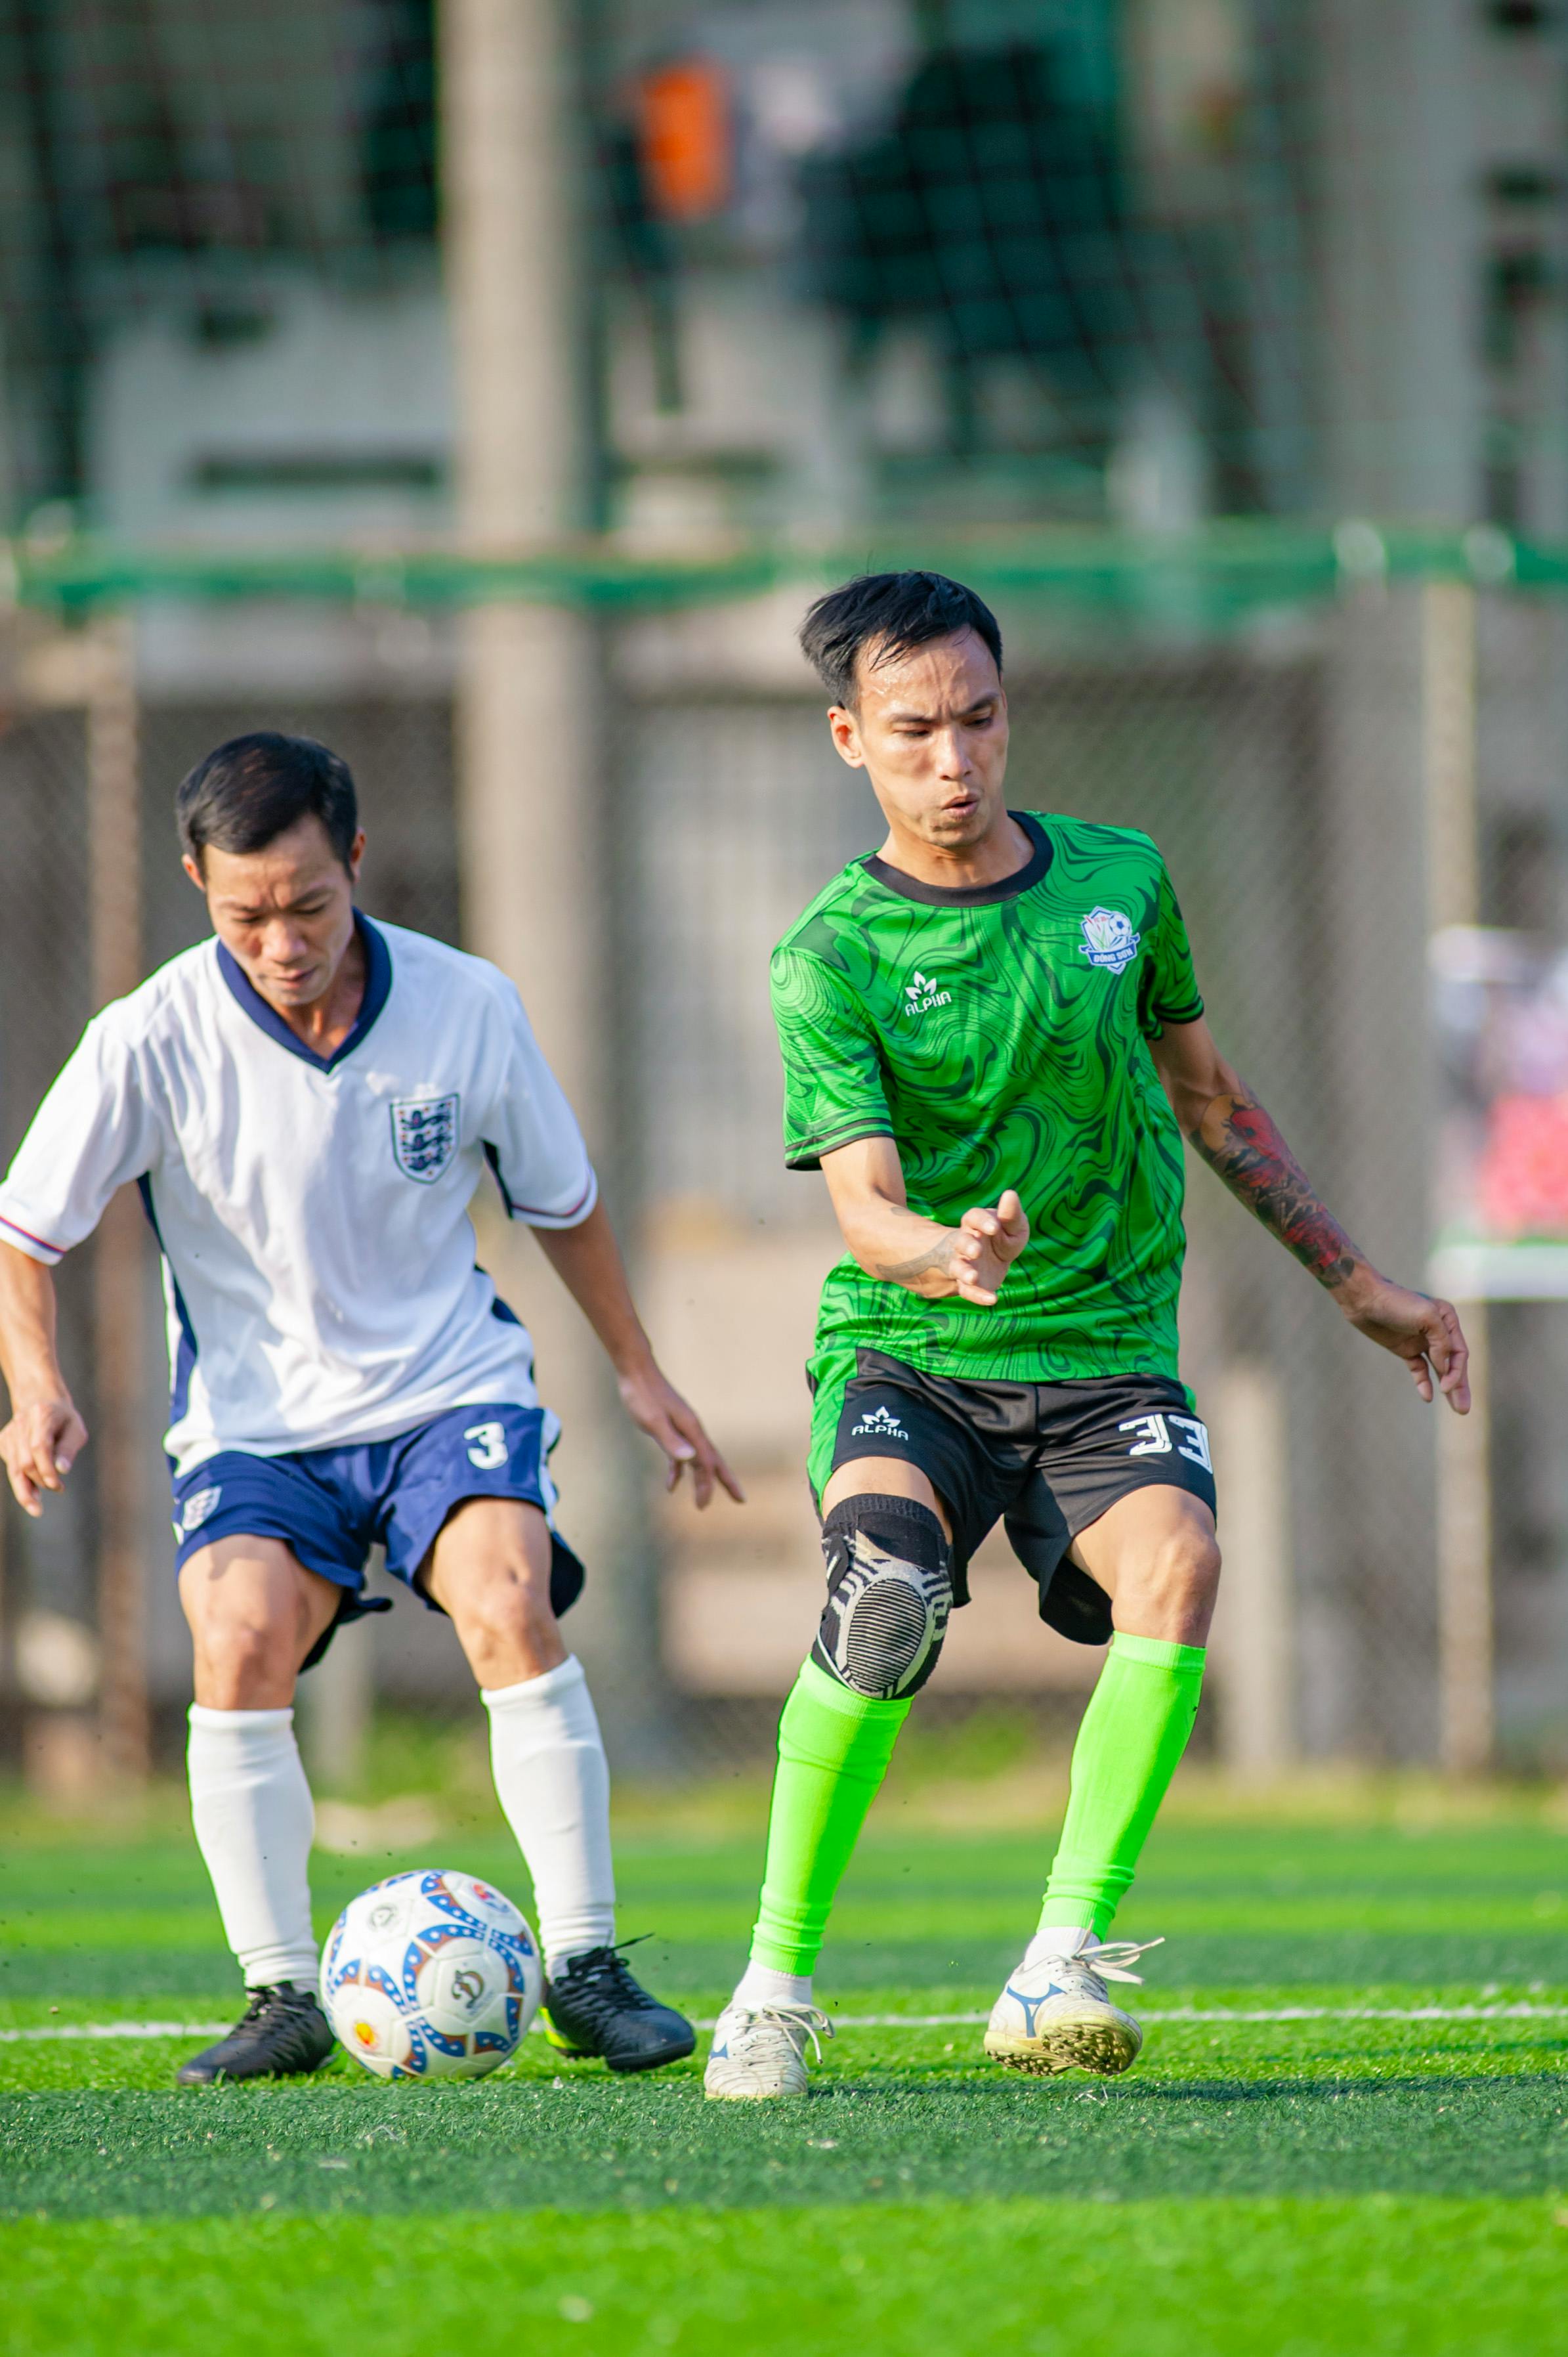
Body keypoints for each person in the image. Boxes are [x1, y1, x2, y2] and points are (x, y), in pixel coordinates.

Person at [704, 572, 1470, 2099]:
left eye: (978, 718)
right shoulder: (829, 953)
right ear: (849, 736)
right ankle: (773, 1984)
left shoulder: (1120, 879)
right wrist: (946, 1248)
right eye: (914, 729)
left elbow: (1207, 1099)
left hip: (1108, 1356)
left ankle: (1058, 1954)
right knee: (884, 1600)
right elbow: (860, 1204)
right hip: (910, 1352)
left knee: (1179, 1564)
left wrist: (1356, 1281)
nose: (955, 759)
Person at [0, 731, 740, 2086]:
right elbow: (26, 1228)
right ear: (196, 885)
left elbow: (564, 1206)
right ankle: (282, 1992)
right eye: (244, 915)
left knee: (511, 1604)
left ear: (356, 859)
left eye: (307, 906)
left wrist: (639, 1369)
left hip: (445, 1386)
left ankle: (585, 1964)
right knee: (232, 1642)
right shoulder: (152, 1035)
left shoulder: (468, 1006)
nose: (280, 942)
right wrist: (34, 1384)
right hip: (254, 1422)